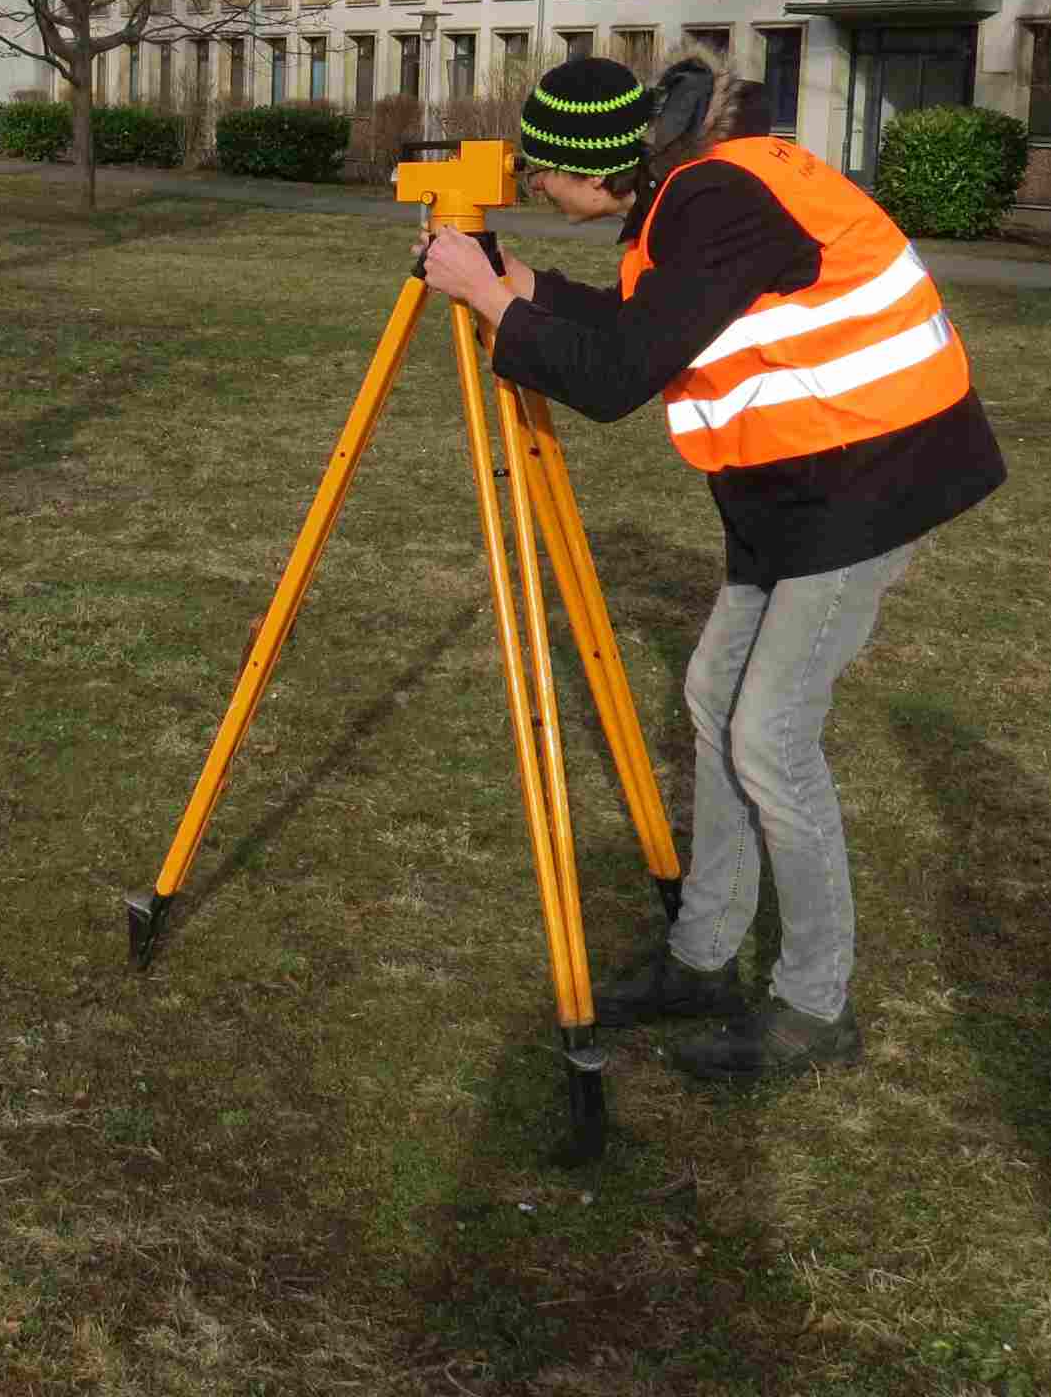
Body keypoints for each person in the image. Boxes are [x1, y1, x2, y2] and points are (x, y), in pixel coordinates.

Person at [417, 54, 1006, 1077]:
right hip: (794, 489)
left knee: (769, 734)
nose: (538, 189)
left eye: (546, 172)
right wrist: (519, 286)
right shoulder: (693, 194)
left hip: (866, 482)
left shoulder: (718, 199)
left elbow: (612, 380)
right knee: (711, 699)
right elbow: (653, 334)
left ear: (602, 165)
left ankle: (815, 1008)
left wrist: (488, 300)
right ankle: (701, 959)